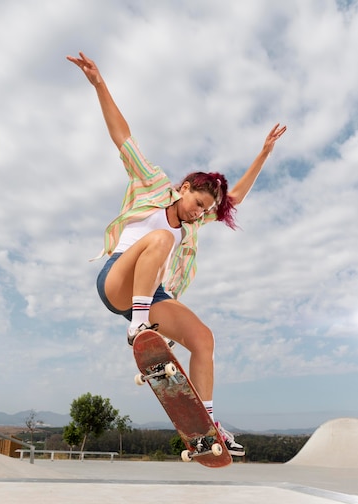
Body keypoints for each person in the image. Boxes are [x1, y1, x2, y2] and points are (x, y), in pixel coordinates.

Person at [67, 51, 286, 456]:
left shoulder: (194, 222)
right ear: (185, 188)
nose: (199, 213)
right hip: (117, 280)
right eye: (197, 203)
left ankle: (207, 427)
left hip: (152, 297)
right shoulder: (154, 185)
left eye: (204, 210)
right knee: (162, 240)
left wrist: (264, 154)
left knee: (203, 338)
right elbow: (123, 137)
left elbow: (232, 198)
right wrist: (99, 84)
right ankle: (137, 326)